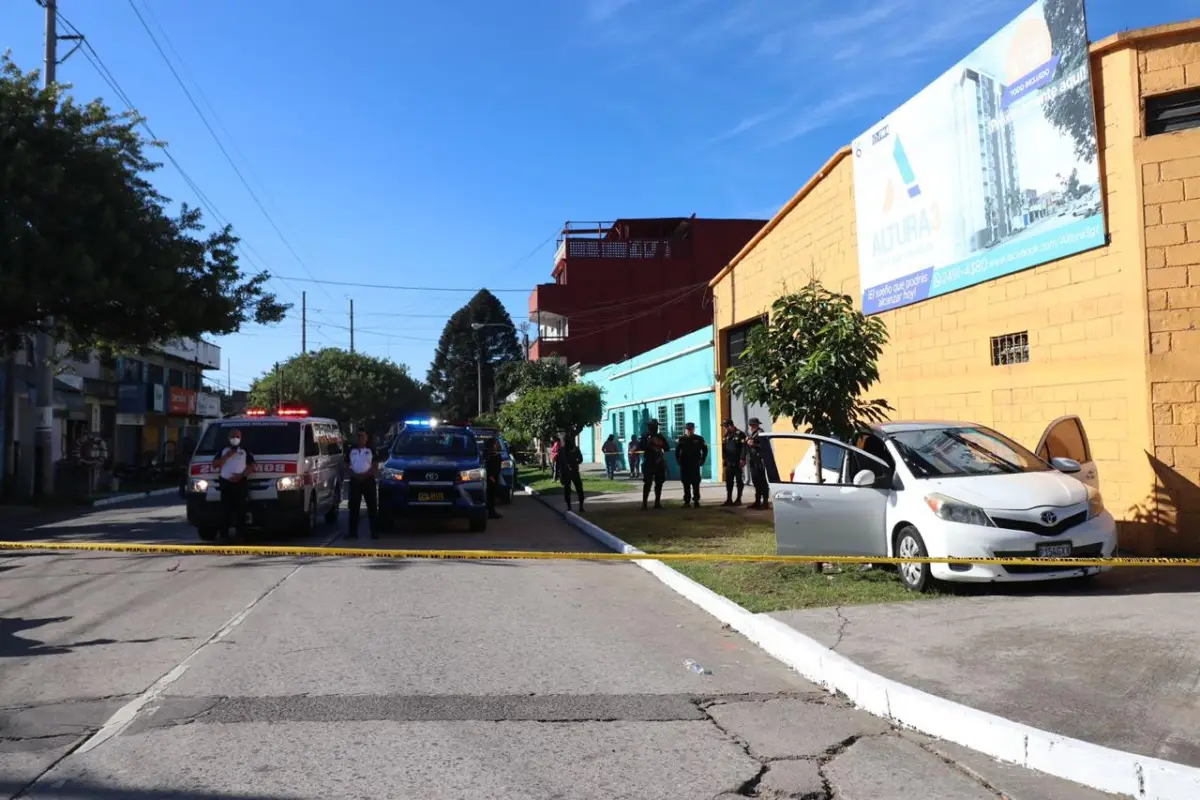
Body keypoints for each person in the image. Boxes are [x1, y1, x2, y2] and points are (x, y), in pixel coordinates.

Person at [212, 428, 254, 544]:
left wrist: (241, 476)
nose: (235, 439)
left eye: (237, 437)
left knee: (241, 511)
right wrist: (227, 456)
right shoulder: (223, 450)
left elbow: (251, 466)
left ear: (241, 438)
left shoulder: (245, 450)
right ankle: (224, 535)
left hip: (240, 484)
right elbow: (215, 465)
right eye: (233, 436)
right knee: (225, 511)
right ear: (229, 438)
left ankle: (240, 536)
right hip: (226, 484)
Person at [345, 430, 379, 539]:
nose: (360, 438)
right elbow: (346, 465)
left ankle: (374, 533)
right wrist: (354, 475)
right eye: (359, 436)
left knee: (372, 507)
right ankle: (352, 533)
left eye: (363, 436)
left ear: (367, 438)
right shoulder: (351, 450)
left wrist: (365, 476)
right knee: (354, 508)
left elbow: (375, 466)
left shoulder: (371, 450)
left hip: (368, 481)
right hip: (355, 481)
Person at [674, 422, 709, 508]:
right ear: (685, 430)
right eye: (688, 429)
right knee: (686, 483)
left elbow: (705, 449)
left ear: (693, 429)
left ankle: (696, 500)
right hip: (685, 464)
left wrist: (702, 459)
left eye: (691, 429)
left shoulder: (699, 439)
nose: (689, 431)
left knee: (695, 483)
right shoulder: (682, 439)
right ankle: (687, 501)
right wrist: (678, 460)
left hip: (695, 463)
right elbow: (677, 451)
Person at [639, 418, 670, 510]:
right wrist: (648, 441)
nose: (655, 428)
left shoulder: (660, 437)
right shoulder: (645, 436)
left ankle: (657, 503)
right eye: (653, 426)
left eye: (656, 426)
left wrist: (661, 441)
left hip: (659, 462)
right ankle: (644, 504)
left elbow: (667, 448)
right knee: (647, 483)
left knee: (659, 483)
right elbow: (642, 446)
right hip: (649, 462)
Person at [745, 417, 770, 509]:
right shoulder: (754, 434)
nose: (751, 427)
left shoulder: (760, 433)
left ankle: (765, 502)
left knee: (762, 481)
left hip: (760, 460)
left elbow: (764, 446)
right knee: (756, 481)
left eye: (752, 425)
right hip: (753, 460)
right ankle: (757, 501)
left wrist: (753, 444)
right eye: (750, 425)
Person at [721, 419, 746, 506]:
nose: (724, 429)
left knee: (739, 481)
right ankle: (729, 499)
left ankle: (738, 499)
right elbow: (724, 448)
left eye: (725, 427)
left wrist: (742, 459)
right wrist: (724, 459)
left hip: (737, 461)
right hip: (729, 462)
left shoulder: (740, 434)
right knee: (729, 481)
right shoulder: (726, 435)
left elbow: (743, 447)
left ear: (729, 426)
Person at [559, 429, 585, 513]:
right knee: (576, 489)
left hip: (569, 471)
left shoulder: (564, 450)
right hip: (571, 471)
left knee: (573, 489)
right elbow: (580, 459)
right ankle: (577, 507)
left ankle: (572, 507)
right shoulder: (567, 450)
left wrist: (573, 464)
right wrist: (575, 463)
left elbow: (561, 463)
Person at [485, 436, 503, 520]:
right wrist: (491, 477)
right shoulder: (489, 455)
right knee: (491, 495)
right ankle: (491, 512)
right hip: (491, 478)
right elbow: (489, 467)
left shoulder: (495, 454)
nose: (497, 445)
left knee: (493, 495)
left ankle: (492, 511)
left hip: (495, 476)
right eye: (495, 443)